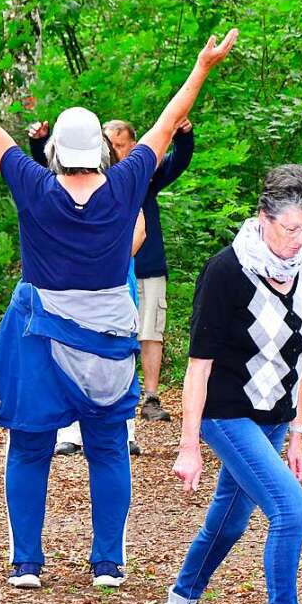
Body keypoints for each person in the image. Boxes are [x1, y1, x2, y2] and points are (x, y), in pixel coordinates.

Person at [0, 20, 238, 590]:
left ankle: (26, 564)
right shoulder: (125, 185)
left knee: (29, 447)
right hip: (110, 341)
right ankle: (108, 564)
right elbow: (167, 124)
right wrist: (202, 68)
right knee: (108, 447)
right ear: (98, 149)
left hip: (40, 338)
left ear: (51, 152)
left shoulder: (33, 186)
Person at [161, 165, 302, 604]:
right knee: (291, 511)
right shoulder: (225, 273)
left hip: (274, 416)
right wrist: (188, 445)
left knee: (230, 520)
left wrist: (297, 432)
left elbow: (299, 357)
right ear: (264, 217)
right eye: (291, 227)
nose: (300, 239)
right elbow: (198, 367)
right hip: (226, 413)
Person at [28, 121, 148, 456]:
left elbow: (140, 232)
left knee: (114, 356)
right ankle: (69, 431)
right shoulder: (58, 189)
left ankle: (123, 431)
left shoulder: (123, 188)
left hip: (115, 286)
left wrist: (104, 257)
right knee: (65, 355)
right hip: (67, 296)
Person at [103, 117, 196, 423]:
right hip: (111, 271)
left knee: (151, 331)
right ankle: (113, 399)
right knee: (112, 333)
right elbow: (50, 176)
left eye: (120, 145)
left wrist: (183, 135)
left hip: (148, 266)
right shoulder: (93, 181)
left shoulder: (146, 177)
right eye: (109, 144)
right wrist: (39, 142)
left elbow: (177, 162)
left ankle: (151, 398)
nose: (115, 151)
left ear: (133, 146)